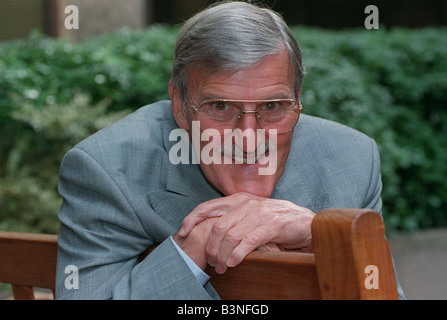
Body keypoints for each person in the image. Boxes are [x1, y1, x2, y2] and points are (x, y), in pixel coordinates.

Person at [55, 1, 405, 299]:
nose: (249, 140)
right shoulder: (105, 168)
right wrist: (193, 247)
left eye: (272, 107)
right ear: (179, 105)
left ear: (298, 100)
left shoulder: (353, 159)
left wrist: (324, 237)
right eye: (220, 107)